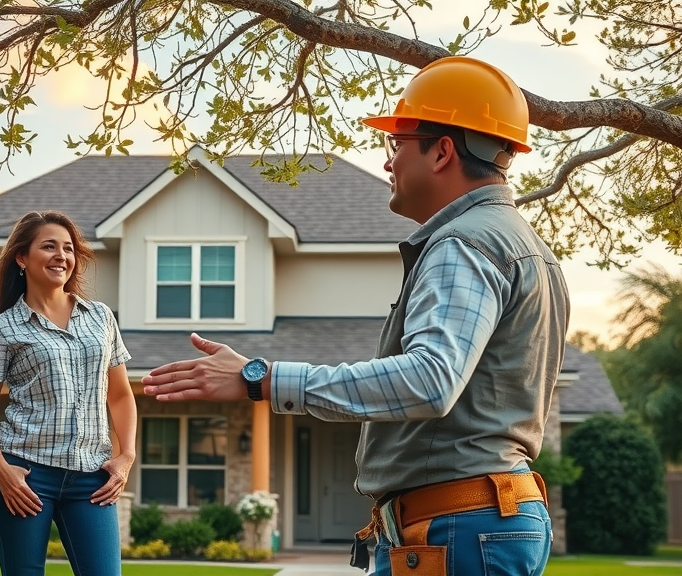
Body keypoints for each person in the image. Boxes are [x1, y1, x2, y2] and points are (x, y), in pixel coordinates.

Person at [142, 56, 569, 576]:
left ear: (442, 151)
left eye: (397, 144)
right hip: (477, 521)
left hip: (456, 529)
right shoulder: (530, 251)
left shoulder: (464, 244)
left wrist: (264, 379)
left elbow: (432, 380)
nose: (389, 163)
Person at [0, 210, 137, 576]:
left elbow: (121, 395)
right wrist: (1, 471)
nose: (62, 255)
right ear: (21, 258)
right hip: (26, 477)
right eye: (49, 246)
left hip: (93, 476)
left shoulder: (101, 318)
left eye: (68, 248)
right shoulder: (2, 328)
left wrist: (126, 456)